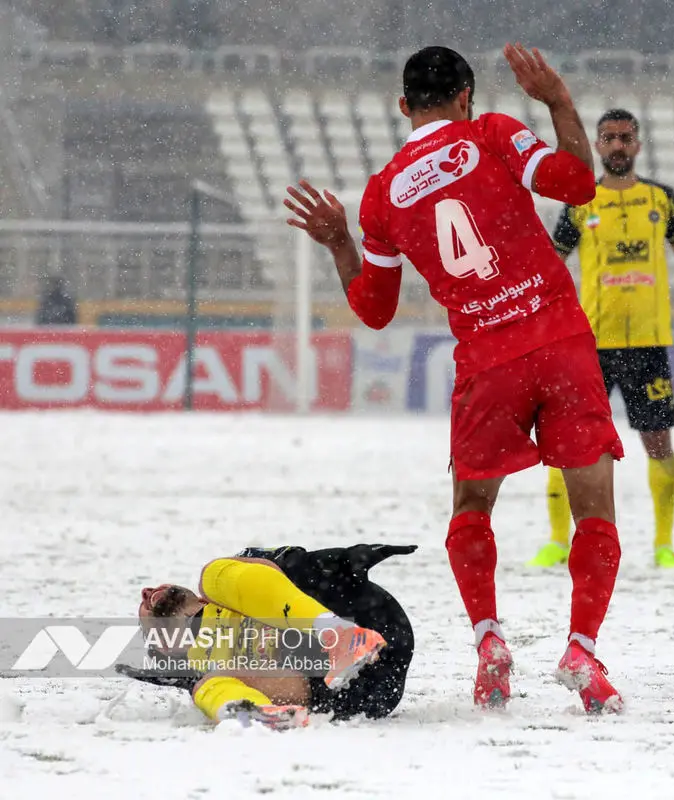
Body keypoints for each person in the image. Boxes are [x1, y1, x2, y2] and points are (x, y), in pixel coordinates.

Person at [283, 44, 625, 714]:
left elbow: (374, 311)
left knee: (473, 510)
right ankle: (582, 647)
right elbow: (578, 184)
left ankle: (489, 638)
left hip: (487, 361)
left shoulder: (382, 195)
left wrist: (338, 242)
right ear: (466, 95)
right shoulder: (491, 133)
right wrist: (556, 100)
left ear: (403, 105)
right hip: (558, 342)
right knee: (594, 511)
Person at [527, 108, 674, 570]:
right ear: (599, 146)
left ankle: (664, 544)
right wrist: (533, 317)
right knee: (568, 443)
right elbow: (550, 263)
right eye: (609, 138)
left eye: (626, 137)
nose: (618, 145)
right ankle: (556, 540)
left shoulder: (660, 199)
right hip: (590, 347)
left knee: (658, 442)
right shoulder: (582, 202)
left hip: (648, 345)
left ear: (638, 145)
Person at [127, 543, 414, 729]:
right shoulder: (199, 669)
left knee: (215, 573)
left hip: (367, 618)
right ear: (163, 647)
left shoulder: (225, 589)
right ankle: (252, 715)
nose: (146, 592)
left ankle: (339, 633)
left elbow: (292, 565)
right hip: (360, 691)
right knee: (208, 683)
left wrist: (337, 560)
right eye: (144, 608)